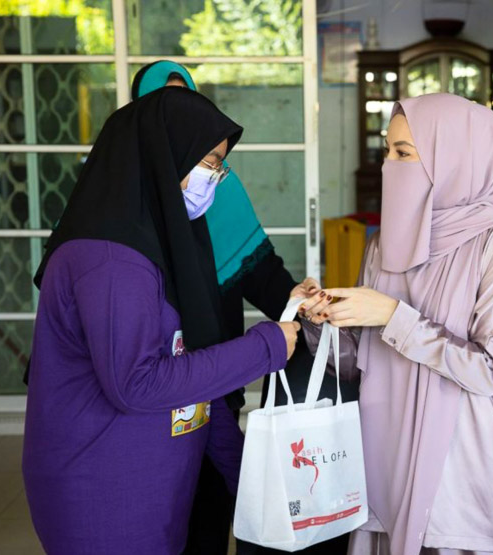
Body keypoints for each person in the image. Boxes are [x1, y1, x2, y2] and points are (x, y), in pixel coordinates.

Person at [22, 87, 301, 554]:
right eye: (210, 162)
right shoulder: (111, 259)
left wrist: (247, 481)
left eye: (220, 164)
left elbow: (190, 373)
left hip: (153, 482)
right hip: (102, 489)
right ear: (162, 157)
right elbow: (135, 383)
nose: (217, 177)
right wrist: (266, 347)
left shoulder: (165, 245)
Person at [301, 93, 493, 555]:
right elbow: (358, 364)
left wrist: (393, 315)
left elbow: (489, 371)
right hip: (388, 455)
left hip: (469, 477)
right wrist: (324, 320)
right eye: (387, 152)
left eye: (404, 154)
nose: (387, 165)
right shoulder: (383, 244)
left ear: (453, 157)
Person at [132, 60, 319, 554]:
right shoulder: (120, 195)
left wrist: (298, 300)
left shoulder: (218, 186)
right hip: (144, 403)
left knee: (211, 513)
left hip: (214, 383)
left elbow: (258, 267)